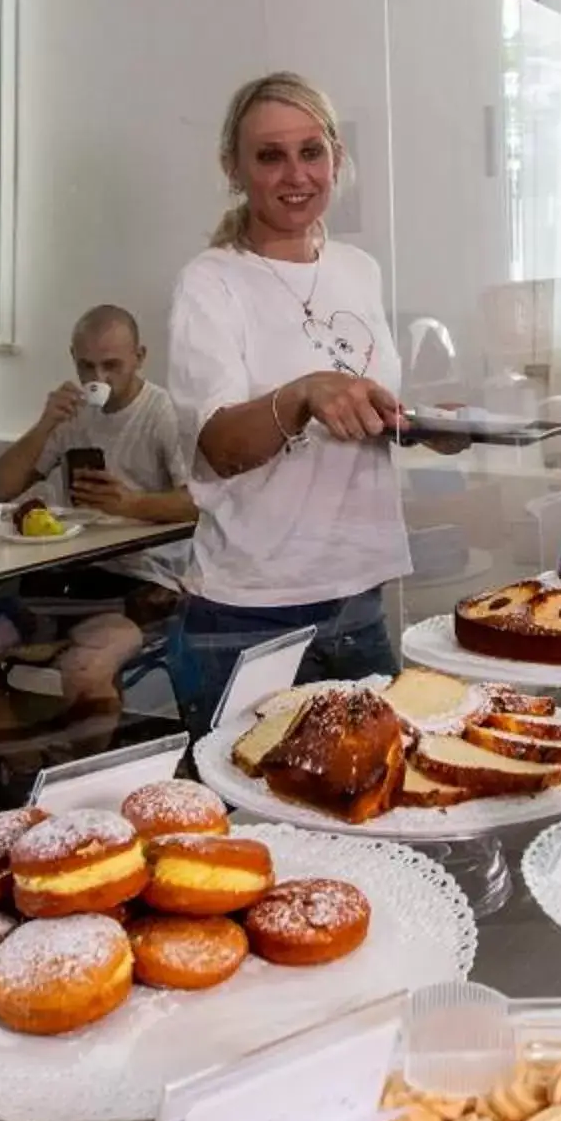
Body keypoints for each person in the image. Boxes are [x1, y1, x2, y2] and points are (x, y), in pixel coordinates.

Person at [166, 72, 417, 725]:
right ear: (234, 167)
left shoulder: (358, 270)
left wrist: (413, 425)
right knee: (250, 817)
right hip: (251, 613)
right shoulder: (211, 281)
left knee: (380, 808)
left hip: (358, 597)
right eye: (269, 155)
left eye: (312, 151)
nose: (295, 174)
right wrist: (304, 394)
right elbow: (219, 447)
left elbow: (360, 404)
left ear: (337, 156)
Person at [0, 306, 199, 745]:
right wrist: (46, 425)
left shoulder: (164, 413)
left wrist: (132, 503)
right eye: (86, 365)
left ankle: (90, 786)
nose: (98, 376)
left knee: (84, 670)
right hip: (68, 572)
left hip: (144, 579)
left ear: (139, 356)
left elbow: (199, 503)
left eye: (111, 365)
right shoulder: (74, 412)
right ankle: (18, 778)